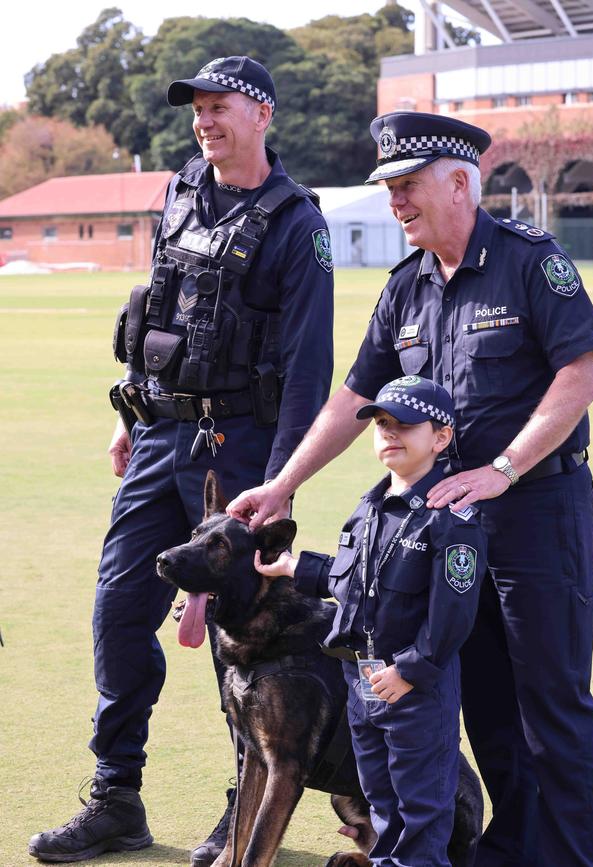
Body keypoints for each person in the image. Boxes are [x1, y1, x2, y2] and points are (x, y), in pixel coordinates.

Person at [228, 111, 593, 866]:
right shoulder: (404, 287)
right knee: (488, 710)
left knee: (553, 710)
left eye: (408, 186)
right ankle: (517, 851)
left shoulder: (528, 262)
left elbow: (579, 376)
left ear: (461, 182)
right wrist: (282, 485)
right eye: (389, 189)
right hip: (444, 534)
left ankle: (580, 855)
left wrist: (501, 469)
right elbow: (351, 399)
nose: (395, 203)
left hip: (536, 513)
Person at [28, 55, 334, 865]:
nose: (204, 119)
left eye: (220, 106)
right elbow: (157, 304)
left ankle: (242, 807)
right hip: (161, 436)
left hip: (242, 450)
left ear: (262, 113)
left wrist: (285, 481)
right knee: (119, 607)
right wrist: (131, 407)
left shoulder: (297, 223)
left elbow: (308, 367)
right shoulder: (181, 189)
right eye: (197, 108)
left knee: (243, 637)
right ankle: (115, 796)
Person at [255, 376, 487, 866]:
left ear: (440, 437)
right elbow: (354, 580)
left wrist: (412, 670)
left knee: (420, 810)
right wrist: (295, 568)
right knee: (382, 805)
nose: (389, 433)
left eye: (405, 425)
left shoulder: (449, 518)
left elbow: (453, 612)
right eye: (382, 423)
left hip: (414, 689)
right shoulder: (369, 507)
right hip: (361, 683)